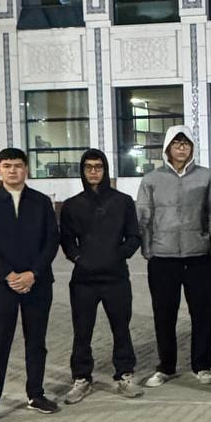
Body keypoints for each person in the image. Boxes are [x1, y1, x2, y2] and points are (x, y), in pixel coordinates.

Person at [0, 147, 60, 422]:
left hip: (37, 284)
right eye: (7, 165)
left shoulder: (41, 202)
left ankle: (36, 394)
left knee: (36, 342)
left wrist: (33, 273)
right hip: (2, 287)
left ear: (26, 169)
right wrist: (8, 275)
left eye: (18, 165)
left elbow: (51, 241)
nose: (13, 170)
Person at [137, 125, 211, 388]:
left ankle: (202, 365)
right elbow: (143, 217)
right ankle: (166, 366)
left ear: (192, 147)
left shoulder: (206, 177)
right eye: (176, 143)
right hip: (163, 257)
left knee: (202, 314)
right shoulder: (151, 179)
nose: (182, 148)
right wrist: (148, 249)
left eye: (186, 143)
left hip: (198, 256)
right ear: (167, 148)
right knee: (164, 314)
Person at [59, 149, 143, 404]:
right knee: (82, 331)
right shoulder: (72, 205)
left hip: (116, 277)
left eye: (98, 167)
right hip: (83, 280)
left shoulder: (123, 201)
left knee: (121, 328)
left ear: (106, 170)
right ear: (82, 171)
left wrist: (117, 256)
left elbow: (134, 236)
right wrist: (79, 259)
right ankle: (81, 378)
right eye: (88, 167)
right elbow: (66, 240)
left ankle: (124, 374)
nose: (93, 171)